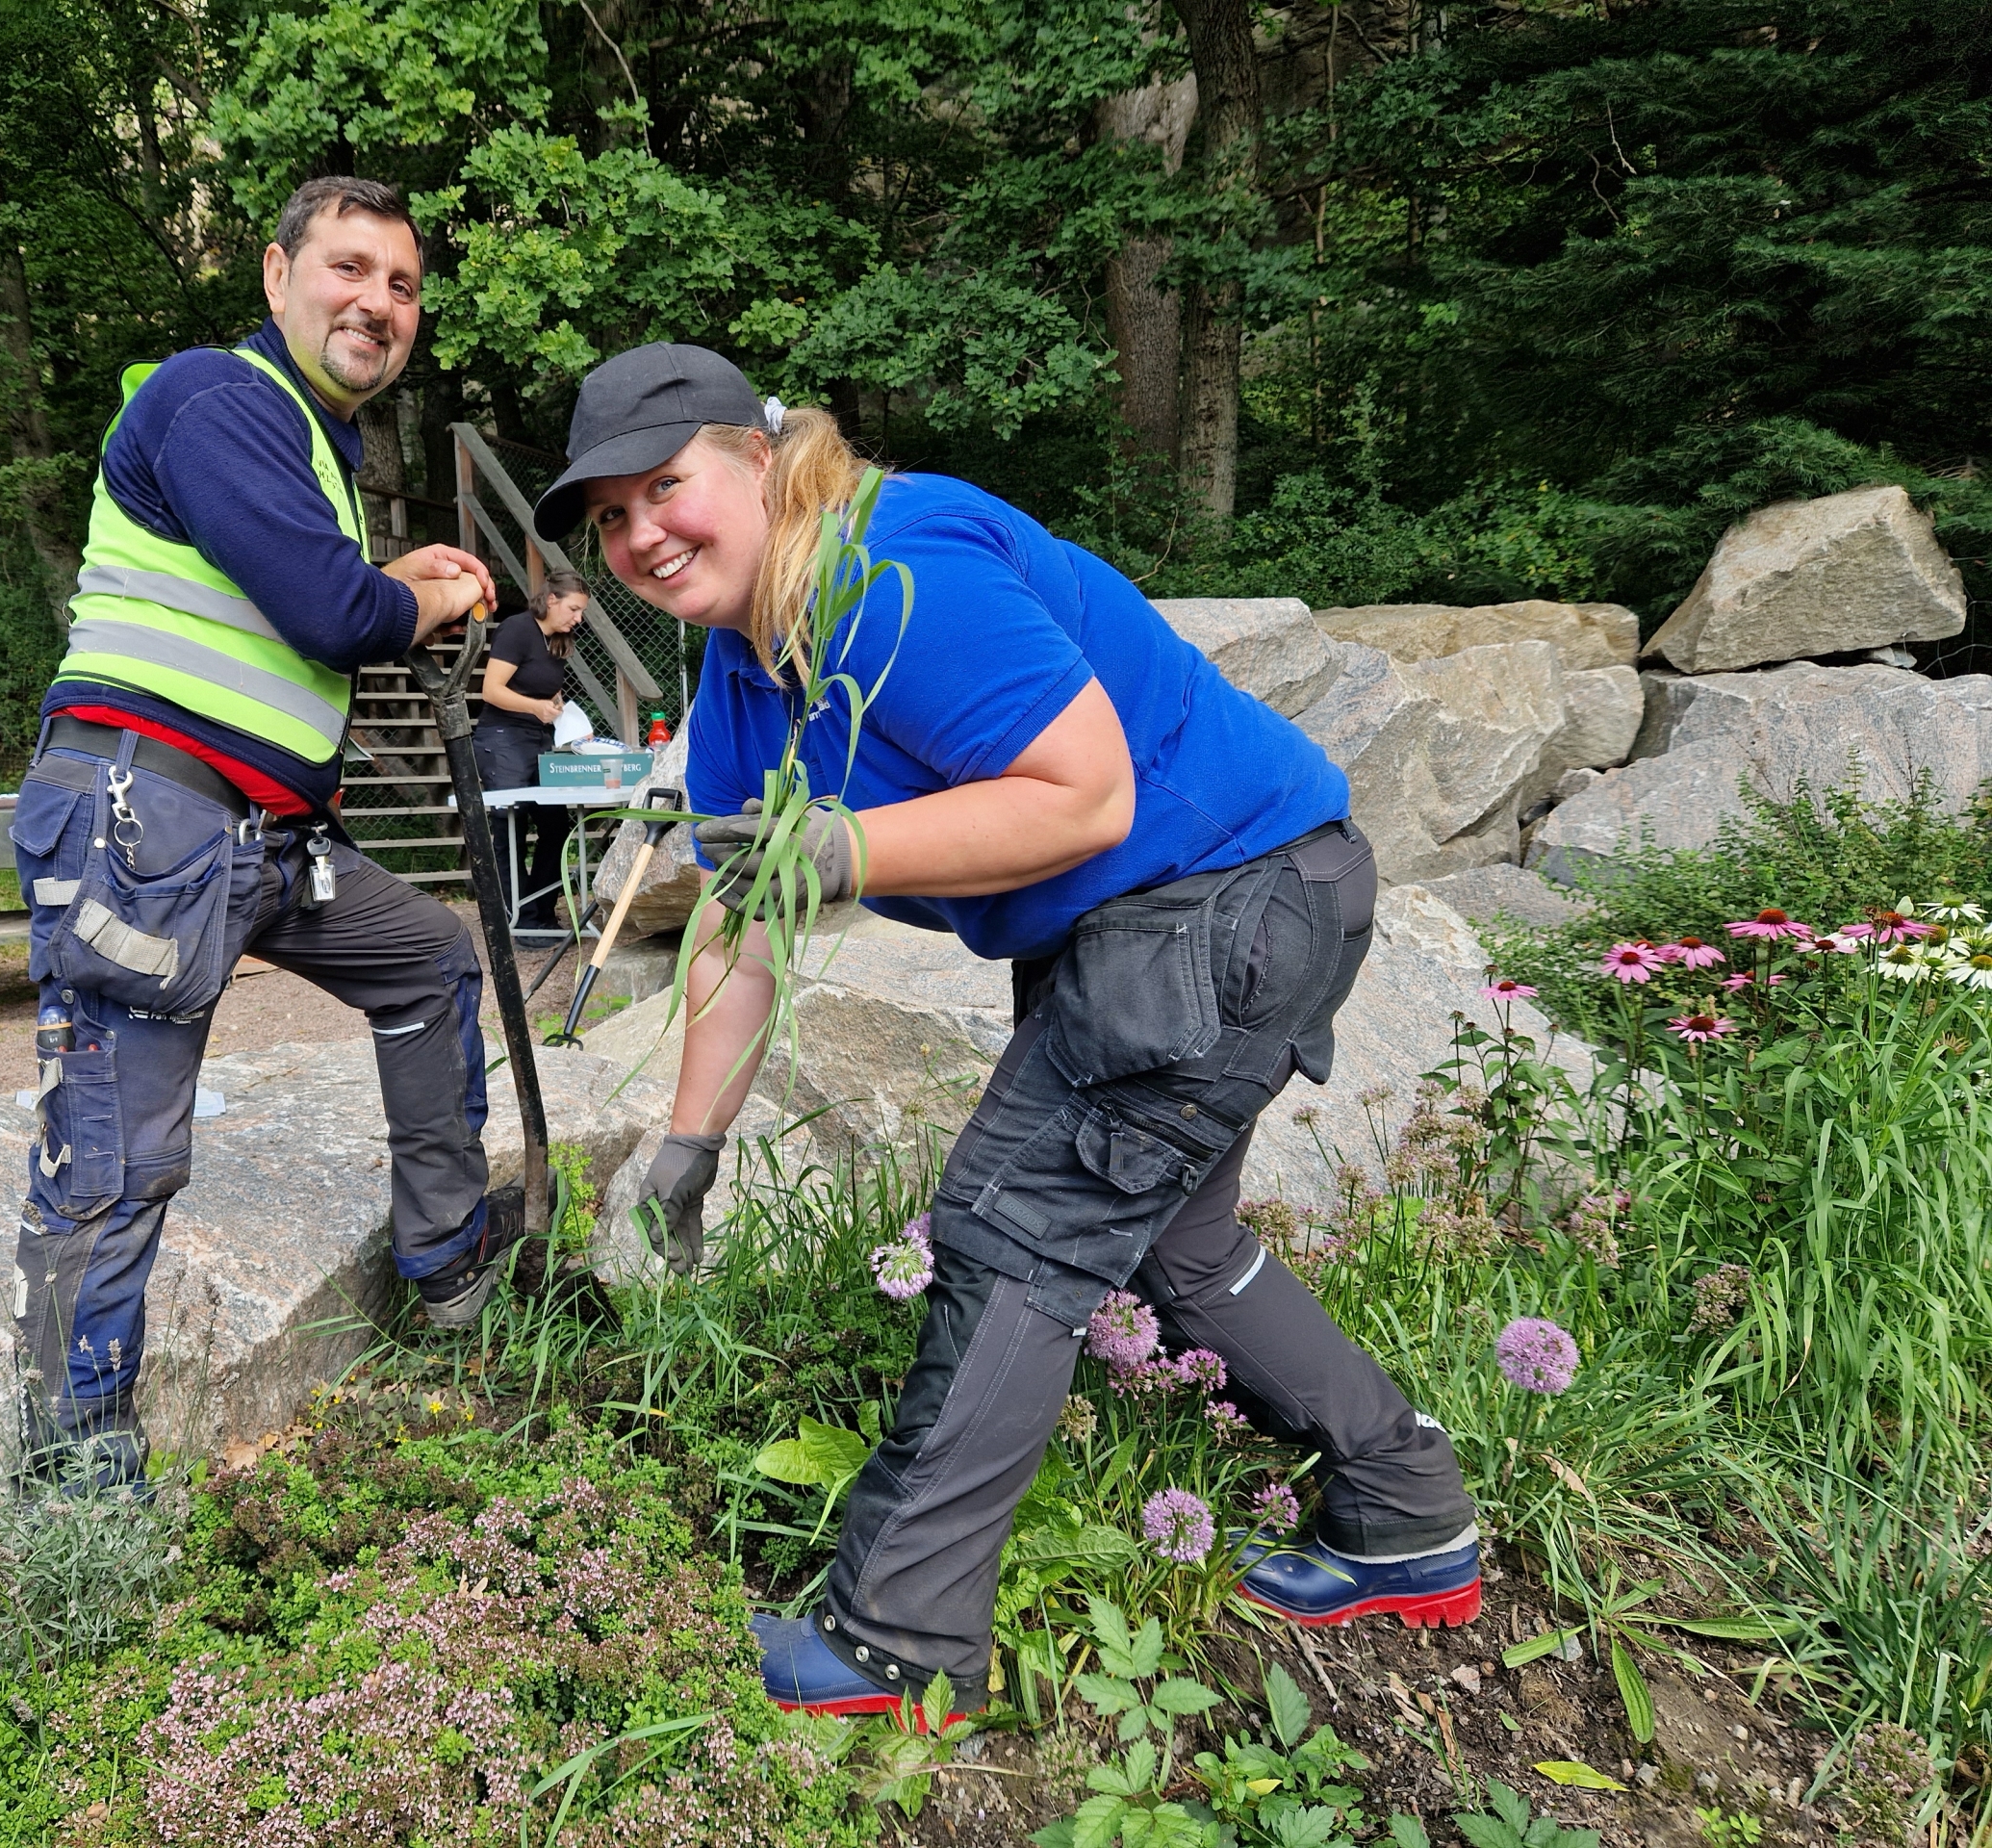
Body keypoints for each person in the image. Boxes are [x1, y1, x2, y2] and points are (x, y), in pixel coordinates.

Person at [531, 345, 1481, 1718]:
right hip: (1149, 919)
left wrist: (843, 847)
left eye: (663, 487)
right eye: (609, 516)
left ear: (756, 457)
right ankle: (1406, 1512)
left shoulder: (893, 569)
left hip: (1228, 889)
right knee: (1172, 1239)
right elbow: (746, 914)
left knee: (1014, 1227)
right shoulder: (744, 670)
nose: (637, 535)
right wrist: (689, 1142)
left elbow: (1082, 793)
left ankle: (892, 1643)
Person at [8, 175, 525, 1499]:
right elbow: (326, 612)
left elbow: (332, 593)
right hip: (151, 815)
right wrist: (407, 598)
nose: (379, 303)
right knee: (119, 1162)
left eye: (403, 286)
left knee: (425, 959)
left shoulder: (311, 447)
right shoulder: (214, 397)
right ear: (275, 275)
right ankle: (76, 1487)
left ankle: (449, 1267)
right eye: (349, 269)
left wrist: (395, 585)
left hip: (258, 833)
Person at [473, 572, 591, 931]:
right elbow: (491, 690)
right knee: (510, 827)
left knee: (556, 826)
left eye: (581, 611)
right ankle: (516, 919)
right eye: (573, 609)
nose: (578, 618)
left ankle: (539, 913)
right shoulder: (517, 628)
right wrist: (536, 707)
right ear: (551, 599)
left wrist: (556, 708)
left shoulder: (557, 639)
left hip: (540, 739)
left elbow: (540, 691)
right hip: (502, 737)